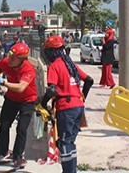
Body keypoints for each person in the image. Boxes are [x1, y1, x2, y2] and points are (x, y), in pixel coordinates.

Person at [40, 36, 94, 173]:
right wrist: (82, 98)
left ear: (51, 51)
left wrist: (42, 102)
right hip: (78, 107)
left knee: (64, 143)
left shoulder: (54, 66)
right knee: (69, 142)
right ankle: (72, 170)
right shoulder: (70, 64)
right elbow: (89, 80)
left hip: (66, 108)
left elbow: (52, 90)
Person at [0, 43, 37, 169]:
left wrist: (3, 82)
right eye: (10, 56)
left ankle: (18, 156)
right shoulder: (6, 62)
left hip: (27, 100)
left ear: (22, 59)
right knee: (4, 125)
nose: (9, 60)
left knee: (22, 129)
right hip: (11, 98)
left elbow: (21, 87)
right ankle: (2, 152)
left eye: (13, 58)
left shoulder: (28, 69)